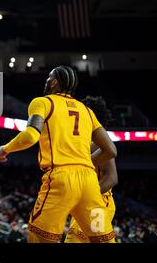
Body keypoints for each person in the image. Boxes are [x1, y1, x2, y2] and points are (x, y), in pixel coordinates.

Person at [0, 66, 117, 243]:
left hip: (61, 179)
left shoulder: (42, 102)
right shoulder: (87, 111)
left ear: (54, 82)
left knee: (38, 237)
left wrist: (5, 148)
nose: (46, 80)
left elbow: (31, 135)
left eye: (49, 77)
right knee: (102, 240)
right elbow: (111, 150)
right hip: (90, 184)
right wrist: (84, 164)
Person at [65, 96, 118, 243]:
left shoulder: (96, 141)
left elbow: (112, 177)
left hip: (98, 203)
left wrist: (88, 195)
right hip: (86, 204)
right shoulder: (79, 140)